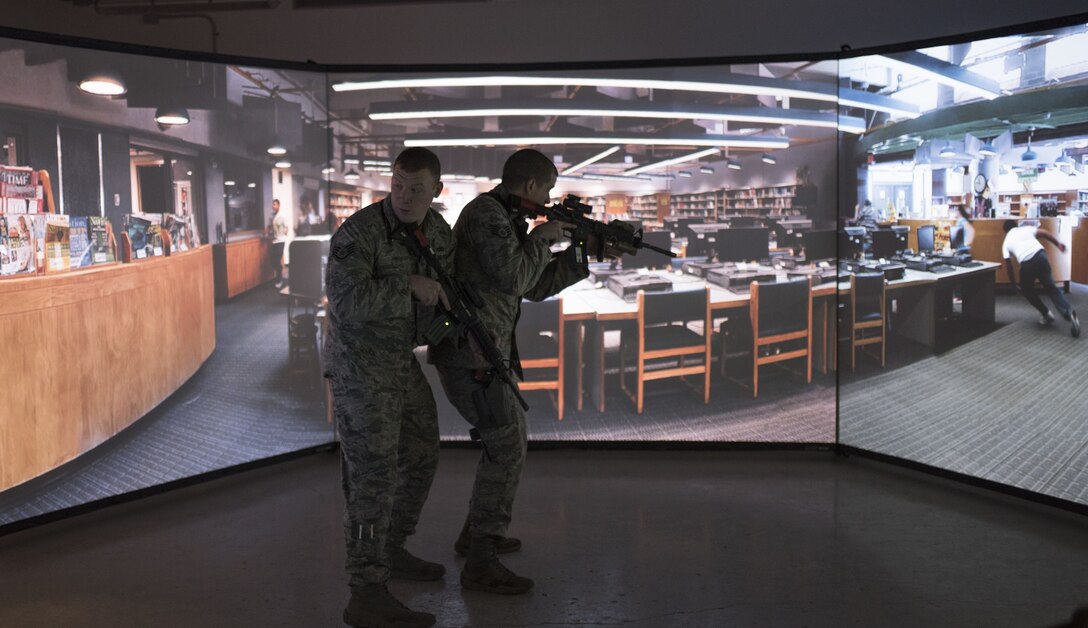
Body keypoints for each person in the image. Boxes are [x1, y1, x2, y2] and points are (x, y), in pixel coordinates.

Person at [429, 148, 611, 595]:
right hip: (470, 354)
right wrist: (546, 235)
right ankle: (481, 559)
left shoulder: (507, 218)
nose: (547, 197)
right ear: (530, 185)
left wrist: (581, 256)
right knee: (507, 444)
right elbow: (513, 276)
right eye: (547, 188)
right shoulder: (487, 215)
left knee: (504, 442)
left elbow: (534, 286)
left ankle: (476, 536)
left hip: (486, 353)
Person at [324, 147, 453, 628]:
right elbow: (345, 300)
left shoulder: (437, 231)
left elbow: (445, 286)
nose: (404, 195)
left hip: (400, 359)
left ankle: (391, 548)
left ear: (436, 191)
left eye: (417, 187)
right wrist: (407, 285)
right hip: (359, 365)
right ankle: (366, 590)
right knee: (372, 476)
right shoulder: (358, 233)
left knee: (421, 452)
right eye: (398, 184)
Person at [1002, 219, 1079, 338]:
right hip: (1041, 256)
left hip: (1027, 263)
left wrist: (1013, 284)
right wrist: (1058, 244)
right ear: (1016, 225)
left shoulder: (1006, 242)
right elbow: (1045, 233)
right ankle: (1069, 313)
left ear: (1005, 231)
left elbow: (1009, 265)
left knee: (1027, 290)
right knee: (1051, 287)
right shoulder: (1025, 229)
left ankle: (1046, 314)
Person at [268, 199, 289, 287]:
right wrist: (268, 232)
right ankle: (280, 273)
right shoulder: (272, 216)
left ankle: (279, 279)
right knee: (273, 261)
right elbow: (270, 228)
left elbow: (286, 226)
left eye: (275, 205)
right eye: (273, 205)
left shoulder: (282, 215)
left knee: (277, 259)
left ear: (278, 206)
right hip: (274, 240)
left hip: (281, 241)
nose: (273, 206)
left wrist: (285, 231)